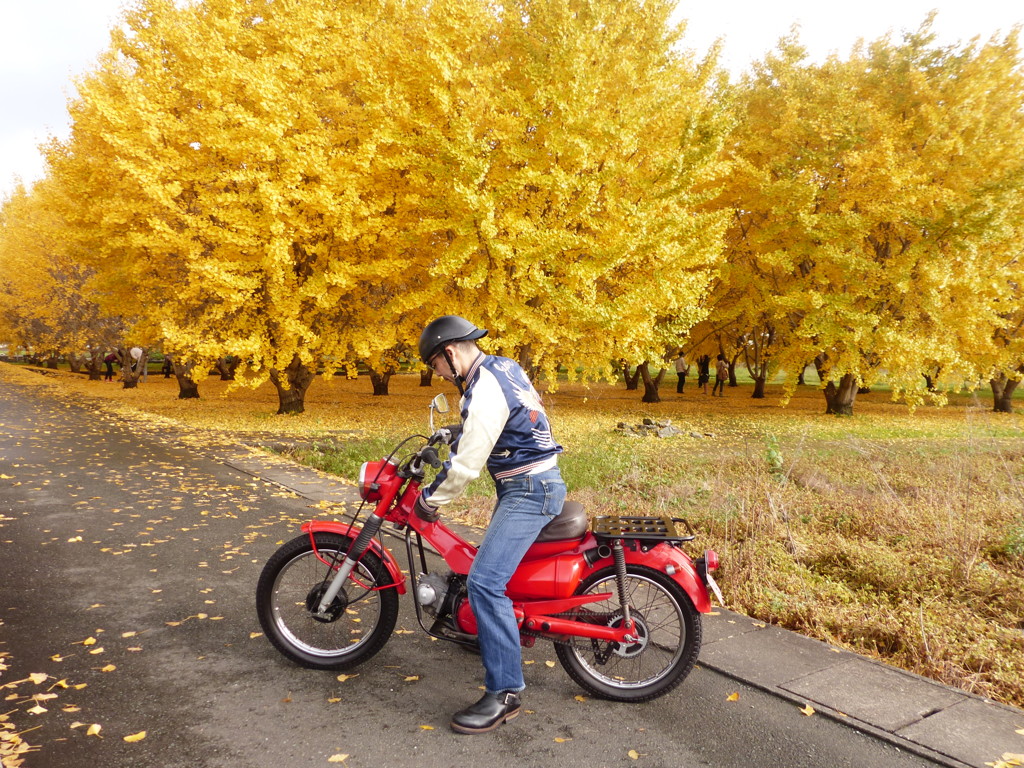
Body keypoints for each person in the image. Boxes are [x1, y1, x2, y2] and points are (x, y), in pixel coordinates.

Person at [414, 315, 566, 735]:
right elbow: (504, 420)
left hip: (528, 489)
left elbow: (465, 467)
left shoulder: (482, 388)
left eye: (436, 365)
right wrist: (455, 429)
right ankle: (489, 635)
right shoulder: (503, 366)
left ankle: (505, 693)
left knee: (484, 581)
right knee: (487, 570)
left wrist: (431, 499)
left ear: (451, 352)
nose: (438, 375)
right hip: (532, 482)